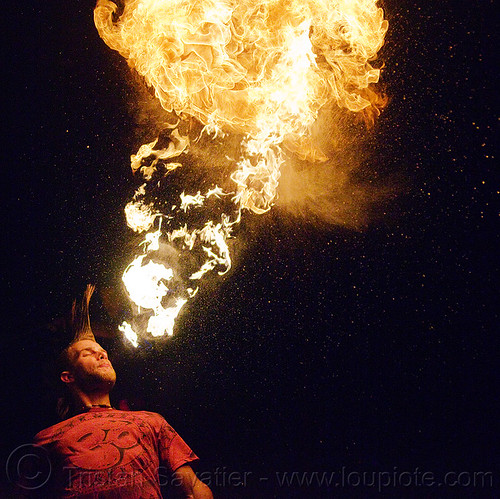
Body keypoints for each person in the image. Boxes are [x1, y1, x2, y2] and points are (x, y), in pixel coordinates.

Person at [32, 285, 213, 498]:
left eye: (103, 352)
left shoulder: (151, 421)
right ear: (67, 377)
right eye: (88, 353)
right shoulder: (48, 438)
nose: (102, 356)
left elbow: (192, 488)